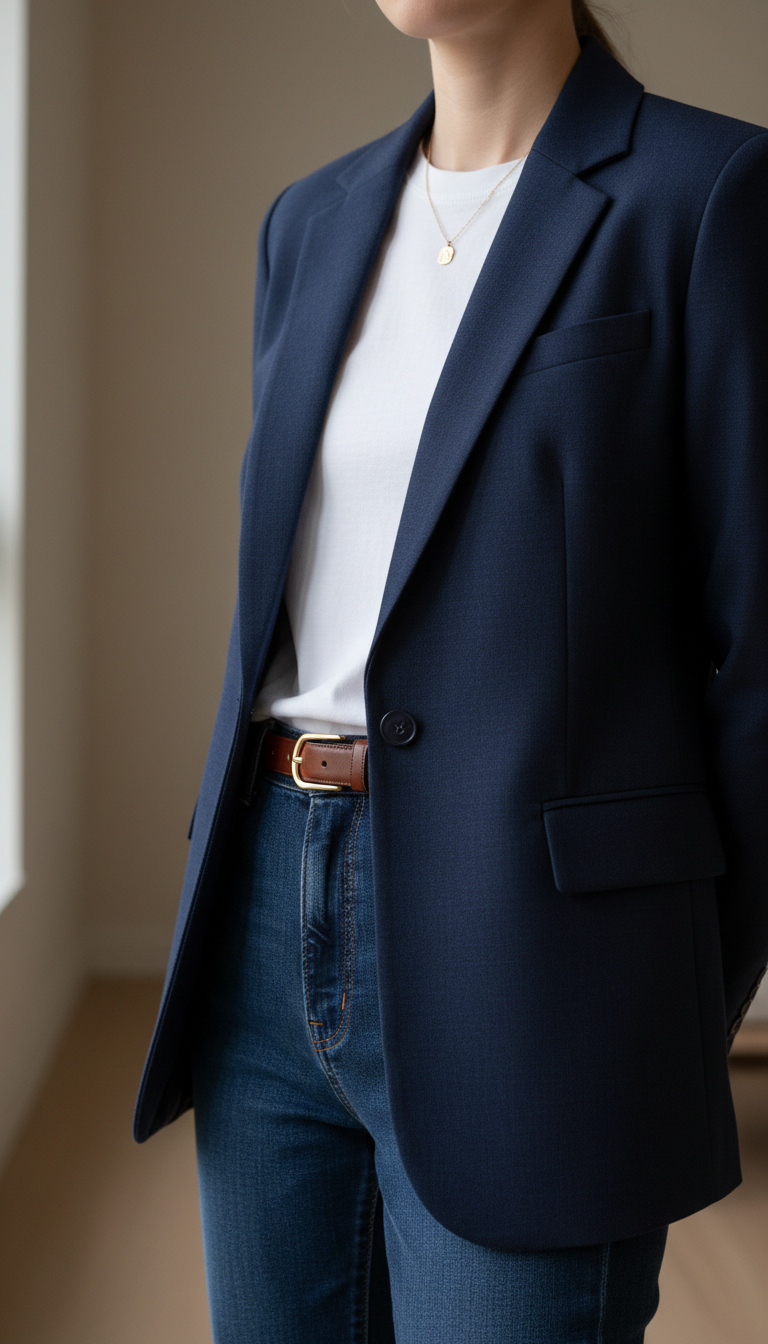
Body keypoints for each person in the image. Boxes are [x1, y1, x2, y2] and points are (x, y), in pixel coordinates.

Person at [134, 1, 768, 1339]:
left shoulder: (709, 195)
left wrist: (668, 984)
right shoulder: (307, 222)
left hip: (545, 962)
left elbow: (761, 655)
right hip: (262, 914)